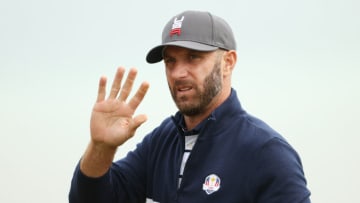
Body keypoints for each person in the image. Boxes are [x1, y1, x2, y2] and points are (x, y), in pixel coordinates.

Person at [69, 10, 311, 203]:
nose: (178, 73)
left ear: (228, 62)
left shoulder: (266, 152)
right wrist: (100, 148)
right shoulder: (161, 142)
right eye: (170, 61)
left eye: (193, 57)